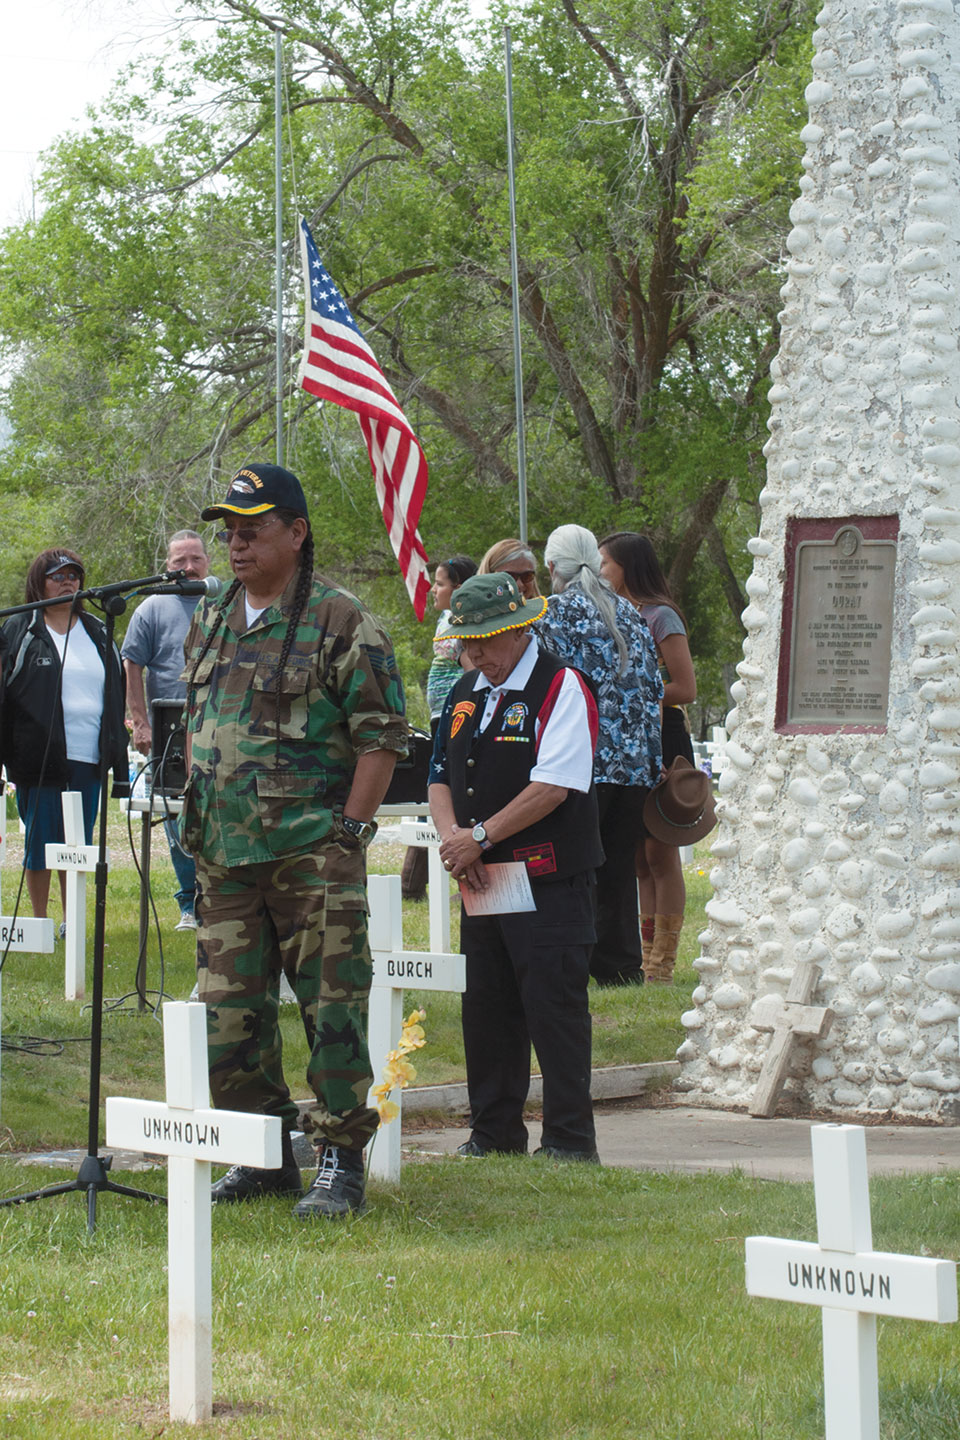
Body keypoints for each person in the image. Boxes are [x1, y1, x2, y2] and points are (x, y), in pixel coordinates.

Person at [181, 462, 407, 1219]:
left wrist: (351, 831)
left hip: (312, 853)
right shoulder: (214, 613)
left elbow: (382, 734)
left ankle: (340, 1159)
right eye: (230, 532)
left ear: (297, 533)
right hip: (223, 855)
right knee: (228, 1016)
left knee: (331, 1010)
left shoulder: (340, 620)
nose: (237, 545)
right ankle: (263, 1155)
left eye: (253, 530)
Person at [429, 571, 603, 1162]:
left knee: (554, 1008)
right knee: (488, 1006)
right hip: (483, 877)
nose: (476, 656)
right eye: (467, 644)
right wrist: (455, 841)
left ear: (520, 629)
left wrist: (479, 837)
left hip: (548, 876)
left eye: (486, 642)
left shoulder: (561, 685)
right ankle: (494, 1133)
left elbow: (554, 785)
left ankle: (569, 1141)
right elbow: (439, 774)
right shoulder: (464, 692)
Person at [536, 524, 663, 985]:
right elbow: (653, 689)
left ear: (553, 567)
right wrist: (652, 758)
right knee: (618, 868)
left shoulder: (552, 613)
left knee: (577, 866)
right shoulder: (629, 612)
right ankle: (622, 967)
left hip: (583, 760)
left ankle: (575, 959)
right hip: (633, 763)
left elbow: (547, 688)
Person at [0, 549, 129, 926]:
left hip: (88, 756)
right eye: (57, 576)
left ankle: (71, 923)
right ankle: (40, 922)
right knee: (41, 841)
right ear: (38, 583)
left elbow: (116, 693)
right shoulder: (19, 628)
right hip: (36, 756)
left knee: (78, 845)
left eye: (73, 576)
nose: (68, 582)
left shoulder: (98, 630)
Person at [599, 532, 698, 983]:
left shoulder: (661, 616)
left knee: (661, 851)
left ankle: (664, 963)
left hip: (665, 736)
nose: (600, 571)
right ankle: (644, 955)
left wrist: (636, 695)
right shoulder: (613, 614)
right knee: (637, 855)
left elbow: (685, 687)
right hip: (631, 739)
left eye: (605, 563)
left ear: (627, 566)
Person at [122, 530, 211, 931]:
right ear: (167, 566)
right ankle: (189, 902)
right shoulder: (152, 608)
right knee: (176, 816)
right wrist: (140, 722)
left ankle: (220, 898)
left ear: (207, 561)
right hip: (169, 727)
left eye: (196, 559)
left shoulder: (226, 600)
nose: (189, 567)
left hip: (217, 724)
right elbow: (132, 663)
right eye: (180, 561)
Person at [401, 554, 477, 901]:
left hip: (458, 716)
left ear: (459, 588)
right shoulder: (445, 619)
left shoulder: (462, 621)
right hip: (439, 716)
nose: (434, 589)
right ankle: (412, 883)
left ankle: (457, 876)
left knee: (451, 787)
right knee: (434, 785)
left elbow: (471, 668)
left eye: (440, 583)